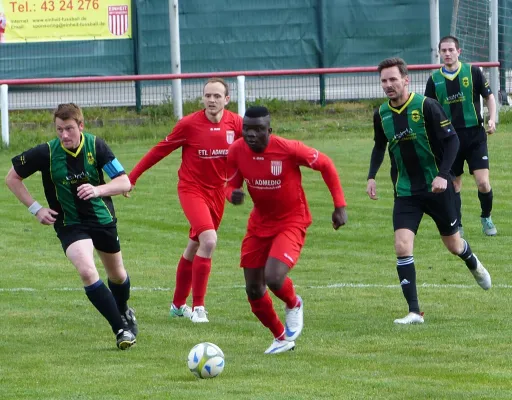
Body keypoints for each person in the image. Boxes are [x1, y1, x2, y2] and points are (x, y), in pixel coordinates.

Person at [366, 57, 492, 325]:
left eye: (393, 79)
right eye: (384, 80)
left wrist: (443, 175)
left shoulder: (426, 107)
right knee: (402, 246)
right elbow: (379, 146)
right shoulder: (381, 114)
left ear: (405, 79)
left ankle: (472, 261)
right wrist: (371, 177)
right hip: (405, 191)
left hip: (437, 189)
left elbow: (452, 140)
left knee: (453, 245)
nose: (388, 85)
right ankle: (414, 311)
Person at [5, 103, 138, 350]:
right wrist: (36, 208)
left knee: (117, 275)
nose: (64, 135)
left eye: (68, 129)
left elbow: (124, 182)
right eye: (59, 130)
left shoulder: (96, 146)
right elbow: (12, 177)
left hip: (101, 219)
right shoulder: (46, 152)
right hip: (69, 224)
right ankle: (120, 329)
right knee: (87, 271)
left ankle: (123, 311)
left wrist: (98, 189)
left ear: (81, 126)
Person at [226, 106, 348, 353]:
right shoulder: (236, 151)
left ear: (269, 130)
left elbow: (326, 164)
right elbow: (230, 184)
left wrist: (339, 206)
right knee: (253, 288)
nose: (251, 134)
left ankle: (294, 303)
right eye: (246, 128)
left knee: (273, 277)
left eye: (258, 129)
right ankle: (281, 338)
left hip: (292, 220)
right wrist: (232, 195)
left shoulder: (288, 149)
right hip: (259, 223)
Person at [127, 78, 243, 323]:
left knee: (195, 246)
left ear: (227, 99)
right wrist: (133, 177)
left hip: (217, 193)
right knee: (209, 240)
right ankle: (198, 307)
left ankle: (178, 306)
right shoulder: (189, 124)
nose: (211, 100)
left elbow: (252, 149)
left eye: (217, 96)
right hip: (191, 190)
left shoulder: (236, 124)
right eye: (207, 95)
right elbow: (160, 150)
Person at [425, 35, 497, 236]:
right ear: (439, 53)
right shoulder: (434, 80)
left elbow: (489, 97)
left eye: (451, 50)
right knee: (454, 185)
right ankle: (458, 225)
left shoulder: (473, 72)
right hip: (448, 140)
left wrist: (492, 119)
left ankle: (486, 217)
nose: (447, 54)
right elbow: (428, 110)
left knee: (483, 182)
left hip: (474, 135)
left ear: (459, 52)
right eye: (443, 51)